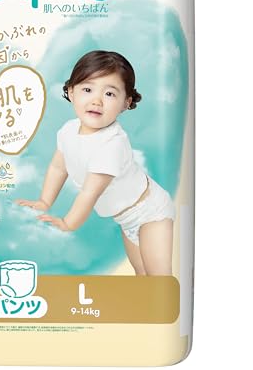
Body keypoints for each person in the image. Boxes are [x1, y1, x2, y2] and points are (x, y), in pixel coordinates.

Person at [16, 50, 175, 276]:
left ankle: (168, 301)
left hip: (151, 212)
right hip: (126, 218)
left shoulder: (112, 144)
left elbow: (90, 193)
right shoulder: (68, 130)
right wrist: (44, 201)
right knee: (141, 274)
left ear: (126, 102)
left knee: (158, 277)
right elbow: (58, 168)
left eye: (109, 93)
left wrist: (68, 223)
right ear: (71, 92)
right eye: (88, 90)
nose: (97, 100)